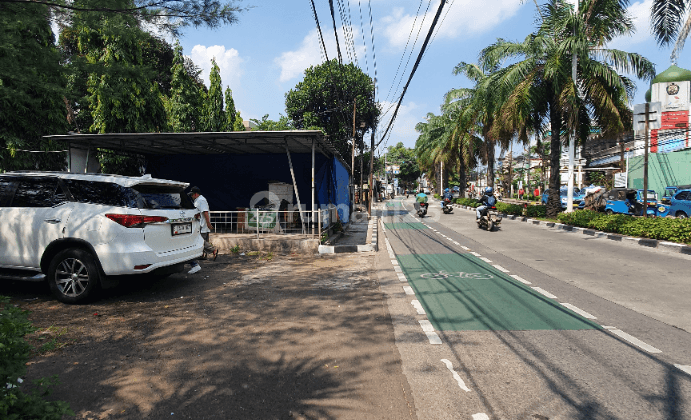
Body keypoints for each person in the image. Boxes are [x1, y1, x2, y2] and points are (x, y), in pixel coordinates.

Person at [188, 186, 218, 274]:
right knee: (204, 240)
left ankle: (213, 250)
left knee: (200, 240)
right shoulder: (198, 200)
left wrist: (208, 223)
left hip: (202, 224)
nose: (191, 196)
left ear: (196, 194)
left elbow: (205, 212)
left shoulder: (201, 200)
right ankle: (204, 255)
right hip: (201, 224)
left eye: (192, 194)